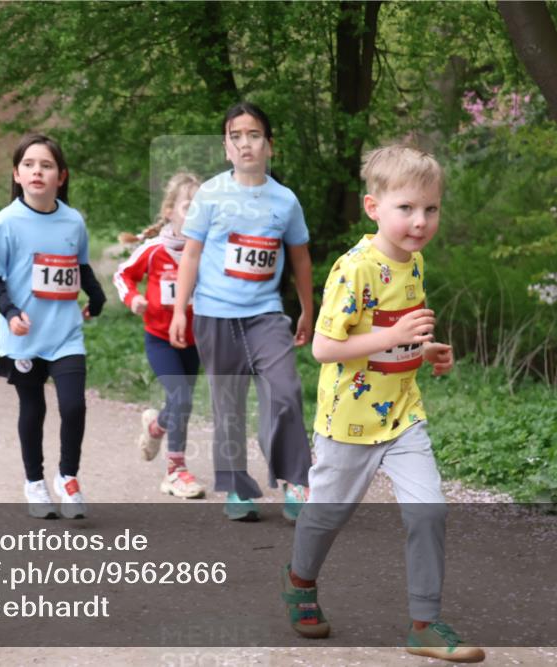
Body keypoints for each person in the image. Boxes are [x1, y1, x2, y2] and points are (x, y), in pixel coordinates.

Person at [281, 145, 485, 663]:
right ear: (374, 207)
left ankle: (424, 624)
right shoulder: (354, 269)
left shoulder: (414, 263)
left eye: (431, 209)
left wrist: (426, 349)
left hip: (402, 414)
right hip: (348, 419)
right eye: (407, 209)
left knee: (429, 510)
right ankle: (300, 582)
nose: (420, 221)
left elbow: (398, 337)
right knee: (326, 517)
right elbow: (326, 348)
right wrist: (392, 335)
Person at [169, 101, 313, 522]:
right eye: (236, 136)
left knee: (285, 392)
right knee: (228, 404)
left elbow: (300, 258)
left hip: (266, 315)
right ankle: (236, 487)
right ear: (226, 147)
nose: (245, 143)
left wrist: (307, 310)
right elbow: (191, 254)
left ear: (270, 145)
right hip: (215, 316)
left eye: (254, 135)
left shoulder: (285, 200)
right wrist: (181, 310)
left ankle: (294, 481)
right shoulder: (211, 194)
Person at [0, 133, 106, 520]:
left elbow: (79, 266)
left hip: (65, 332)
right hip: (24, 336)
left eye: (46, 165)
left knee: (73, 405)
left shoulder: (73, 220)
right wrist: (11, 311)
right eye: (30, 164)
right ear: (17, 174)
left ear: (61, 176)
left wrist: (97, 298)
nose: (38, 171)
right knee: (32, 409)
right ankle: (34, 482)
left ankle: (68, 477)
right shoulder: (6, 222)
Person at [114, 171, 205, 499]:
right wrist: (133, 298)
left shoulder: (206, 251)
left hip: (194, 340)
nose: (194, 213)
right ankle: (175, 471)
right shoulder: (154, 249)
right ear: (169, 211)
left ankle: (155, 427)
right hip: (160, 337)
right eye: (187, 206)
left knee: (182, 402)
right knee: (180, 399)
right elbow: (122, 274)